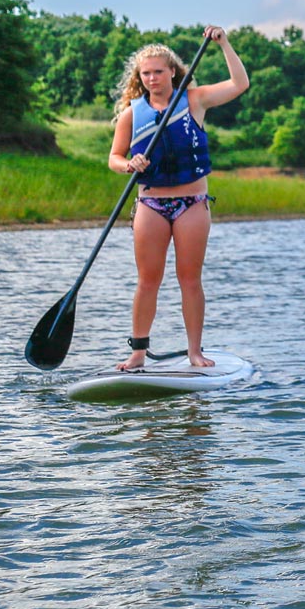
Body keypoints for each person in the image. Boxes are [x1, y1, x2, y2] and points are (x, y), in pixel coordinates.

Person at [107, 26, 249, 370]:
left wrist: (224, 44)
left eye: (158, 71)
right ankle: (138, 353)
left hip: (192, 203)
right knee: (148, 281)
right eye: (146, 74)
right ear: (139, 77)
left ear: (172, 71)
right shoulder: (131, 114)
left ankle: (194, 352)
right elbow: (114, 157)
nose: (152, 78)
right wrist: (129, 165)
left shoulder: (195, 100)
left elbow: (239, 84)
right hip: (151, 204)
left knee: (189, 279)